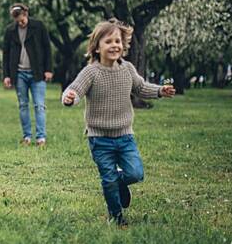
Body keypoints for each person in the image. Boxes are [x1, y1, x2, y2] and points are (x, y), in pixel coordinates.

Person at [61, 18, 176, 227]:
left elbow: (141, 88)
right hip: (99, 139)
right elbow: (76, 89)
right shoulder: (91, 72)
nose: (114, 45)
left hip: (125, 136)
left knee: (135, 173)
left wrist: (159, 90)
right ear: (97, 47)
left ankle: (121, 183)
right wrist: (69, 97)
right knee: (108, 180)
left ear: (123, 45)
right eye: (108, 42)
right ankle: (116, 216)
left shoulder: (128, 69)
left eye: (118, 41)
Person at [2, 3, 53, 147]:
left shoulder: (38, 26)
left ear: (26, 13)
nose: (21, 22)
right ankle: (27, 137)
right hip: (19, 74)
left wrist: (48, 69)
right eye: (17, 20)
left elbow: (47, 48)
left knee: (39, 105)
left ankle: (41, 138)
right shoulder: (10, 31)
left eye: (22, 19)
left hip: (37, 72)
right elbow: (6, 54)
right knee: (23, 105)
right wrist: (6, 75)